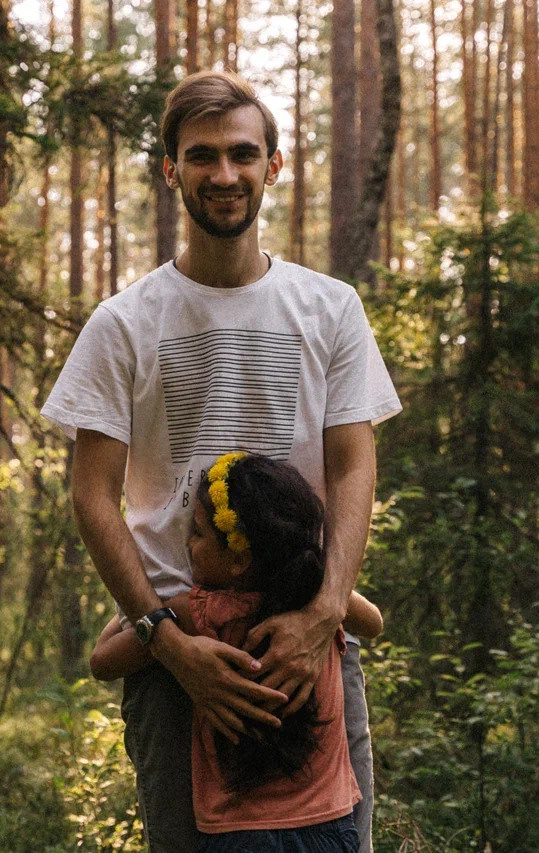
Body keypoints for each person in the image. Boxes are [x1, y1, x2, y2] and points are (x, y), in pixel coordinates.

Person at [42, 70, 401, 851]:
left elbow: (353, 467)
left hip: (311, 648)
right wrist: (169, 643)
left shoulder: (331, 308)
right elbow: (92, 495)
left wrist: (321, 614)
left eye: (243, 153)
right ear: (171, 170)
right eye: (202, 155)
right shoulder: (124, 323)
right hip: (177, 660)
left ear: (274, 165)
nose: (225, 173)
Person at [89, 452, 384, 852]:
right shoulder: (320, 609)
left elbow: (103, 660)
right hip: (330, 826)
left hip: (237, 835)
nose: (188, 545)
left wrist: (146, 607)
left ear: (239, 559)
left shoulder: (200, 613)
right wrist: (326, 594)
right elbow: (374, 622)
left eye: (197, 534)